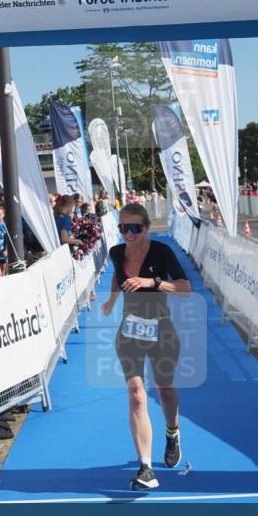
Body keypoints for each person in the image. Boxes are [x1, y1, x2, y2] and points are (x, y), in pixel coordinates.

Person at [100, 204, 192, 491]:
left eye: (135, 228)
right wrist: (111, 301)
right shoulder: (116, 252)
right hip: (129, 331)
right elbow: (118, 276)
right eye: (123, 228)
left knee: (164, 389)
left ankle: (172, 431)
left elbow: (185, 288)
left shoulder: (162, 252)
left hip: (162, 329)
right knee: (137, 395)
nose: (129, 234)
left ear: (146, 227)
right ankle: (146, 467)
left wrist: (154, 282)